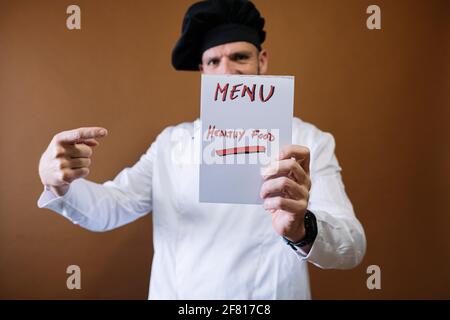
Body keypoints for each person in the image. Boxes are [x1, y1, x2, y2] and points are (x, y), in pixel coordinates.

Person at [38, 0, 366, 299]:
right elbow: (109, 208)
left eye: (240, 57)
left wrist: (301, 228)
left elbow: (352, 245)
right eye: (214, 61)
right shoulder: (170, 145)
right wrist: (58, 182)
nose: (228, 72)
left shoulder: (307, 140)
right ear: (203, 71)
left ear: (261, 62)